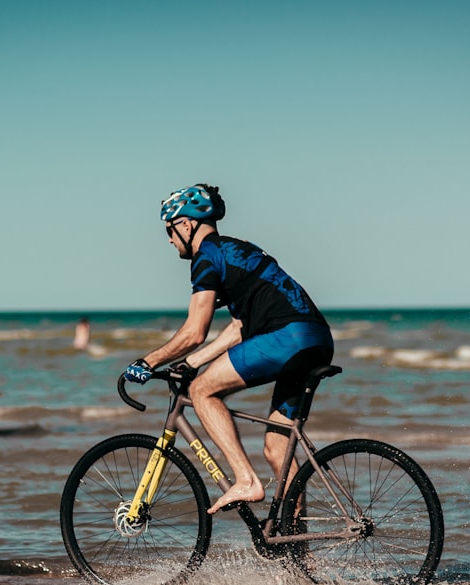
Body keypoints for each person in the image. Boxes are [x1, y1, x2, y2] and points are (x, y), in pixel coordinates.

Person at [123, 184, 333, 514]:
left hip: (285, 339)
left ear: (186, 224)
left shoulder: (207, 258)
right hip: (316, 340)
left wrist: (146, 362)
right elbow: (238, 328)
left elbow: (194, 331)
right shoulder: (242, 250)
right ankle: (296, 553)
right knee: (278, 449)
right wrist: (193, 361)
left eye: (169, 229)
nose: (168, 239)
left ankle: (246, 481)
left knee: (203, 390)